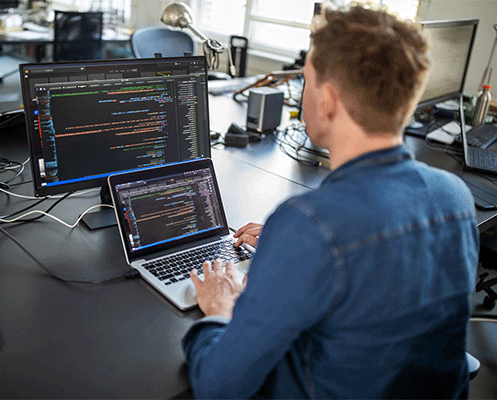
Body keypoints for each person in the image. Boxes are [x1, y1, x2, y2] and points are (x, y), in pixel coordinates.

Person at [181, 3, 480, 399]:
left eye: (306, 80)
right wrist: (295, 250)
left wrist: (220, 312)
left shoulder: (308, 225)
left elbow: (217, 386)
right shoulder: (455, 196)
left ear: (329, 99)